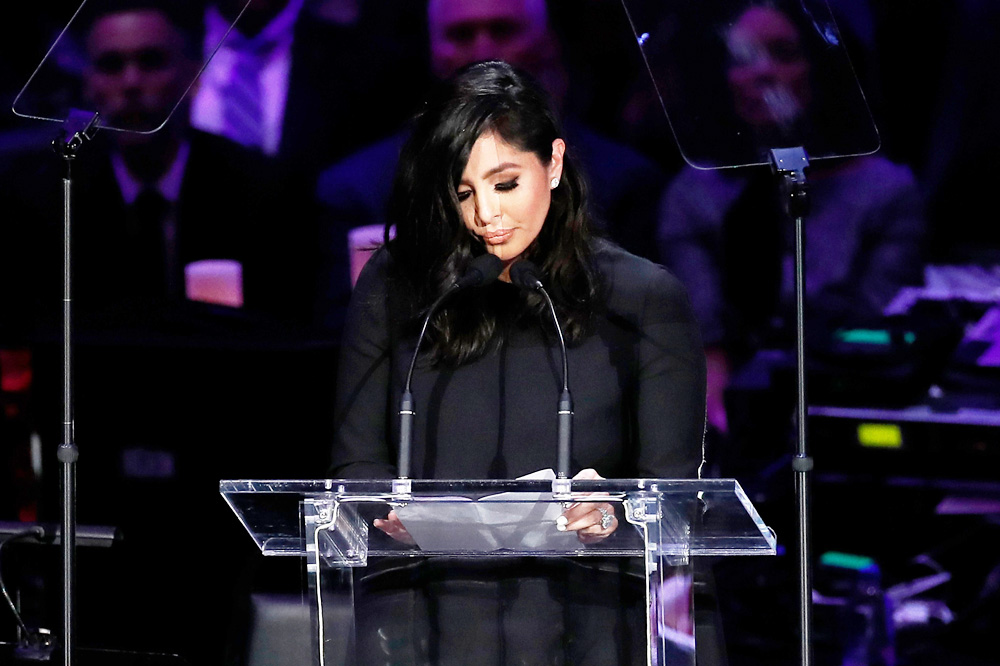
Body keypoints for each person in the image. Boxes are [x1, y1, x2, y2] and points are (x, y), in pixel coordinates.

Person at [330, 60, 709, 665]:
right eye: (463, 192)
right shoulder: (399, 285)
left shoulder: (642, 299)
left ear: (553, 164)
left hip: (585, 628)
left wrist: (611, 510)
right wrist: (387, 507)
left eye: (505, 183)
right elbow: (356, 461)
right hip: (425, 625)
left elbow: (676, 503)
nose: (486, 216)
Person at [657, 2, 925, 444]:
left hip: (850, 399)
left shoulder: (885, 191)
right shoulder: (696, 193)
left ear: (822, 66)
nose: (762, 74)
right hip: (737, 420)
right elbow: (705, 342)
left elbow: (877, 324)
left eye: (783, 54)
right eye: (742, 59)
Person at [313, 0, 668, 330]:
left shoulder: (625, 182)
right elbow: (346, 344)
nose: (483, 52)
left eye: (503, 30)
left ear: (545, 43)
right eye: (461, 35)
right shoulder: (357, 191)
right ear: (434, 52)